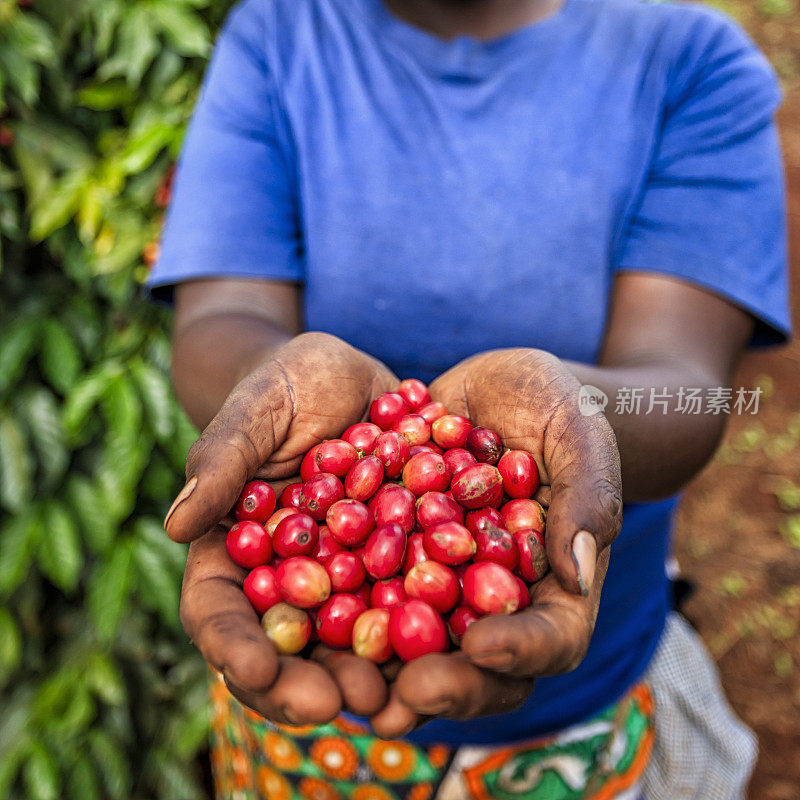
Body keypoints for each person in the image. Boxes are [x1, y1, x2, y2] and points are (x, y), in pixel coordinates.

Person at [149, 0, 790, 797]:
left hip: (587, 703)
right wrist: (272, 388)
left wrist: (573, 417)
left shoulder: (689, 62)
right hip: (308, 733)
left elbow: (686, 391)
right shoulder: (280, 36)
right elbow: (219, 318)